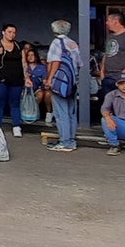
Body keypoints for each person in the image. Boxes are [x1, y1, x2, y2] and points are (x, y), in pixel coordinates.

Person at [45, 19, 82, 152]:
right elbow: (79, 63)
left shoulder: (56, 42)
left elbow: (55, 61)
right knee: (71, 112)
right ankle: (71, 140)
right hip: (72, 82)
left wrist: (49, 79)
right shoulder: (73, 43)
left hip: (60, 82)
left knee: (61, 113)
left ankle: (65, 142)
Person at [98, 10, 125, 116]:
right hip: (107, 76)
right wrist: (102, 71)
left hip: (121, 78)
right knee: (107, 105)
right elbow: (107, 54)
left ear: (116, 21)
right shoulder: (110, 36)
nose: (106, 23)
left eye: (108, 20)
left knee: (121, 105)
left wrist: (123, 74)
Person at [0, 23, 26, 138]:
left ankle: (16, 126)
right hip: (0, 79)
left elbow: (24, 63)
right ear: (3, 32)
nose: (12, 34)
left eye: (14, 32)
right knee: (0, 102)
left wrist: (27, 77)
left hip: (16, 79)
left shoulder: (19, 45)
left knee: (15, 103)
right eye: (9, 32)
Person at [23, 44, 49, 118]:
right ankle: (25, 110)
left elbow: (44, 79)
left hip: (37, 88)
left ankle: (33, 110)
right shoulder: (24, 66)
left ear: (36, 56)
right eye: (28, 55)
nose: (30, 57)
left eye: (32, 55)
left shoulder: (41, 67)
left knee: (40, 94)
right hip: (25, 89)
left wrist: (45, 84)